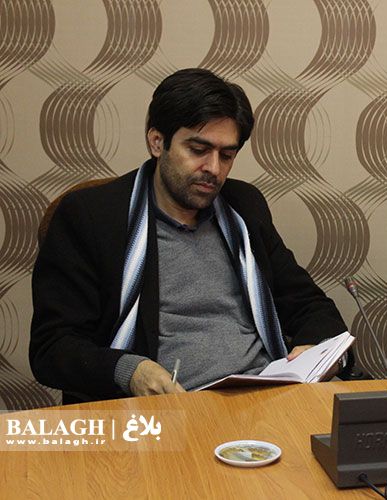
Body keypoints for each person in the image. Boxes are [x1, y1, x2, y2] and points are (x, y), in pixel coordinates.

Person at [30, 68, 348, 403]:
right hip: (167, 409)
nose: (214, 168)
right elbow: (53, 347)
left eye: (227, 155)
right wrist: (130, 371)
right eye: (198, 150)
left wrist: (315, 350)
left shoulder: (244, 206)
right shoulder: (91, 216)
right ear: (157, 142)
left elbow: (308, 304)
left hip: (265, 398)